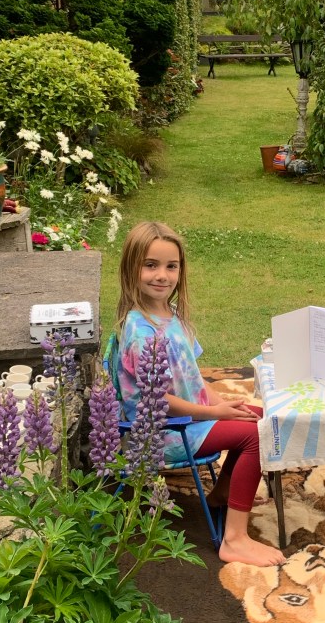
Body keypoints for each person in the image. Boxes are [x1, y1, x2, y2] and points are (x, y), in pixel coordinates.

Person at [114, 220, 285, 568]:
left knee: (262, 419)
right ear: (132, 268)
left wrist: (223, 403)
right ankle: (234, 540)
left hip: (190, 419)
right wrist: (215, 413)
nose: (162, 275)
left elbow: (193, 377)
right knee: (254, 435)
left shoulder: (171, 315)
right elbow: (157, 401)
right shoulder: (141, 332)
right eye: (151, 265)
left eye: (171, 266)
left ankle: (222, 495)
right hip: (161, 432)